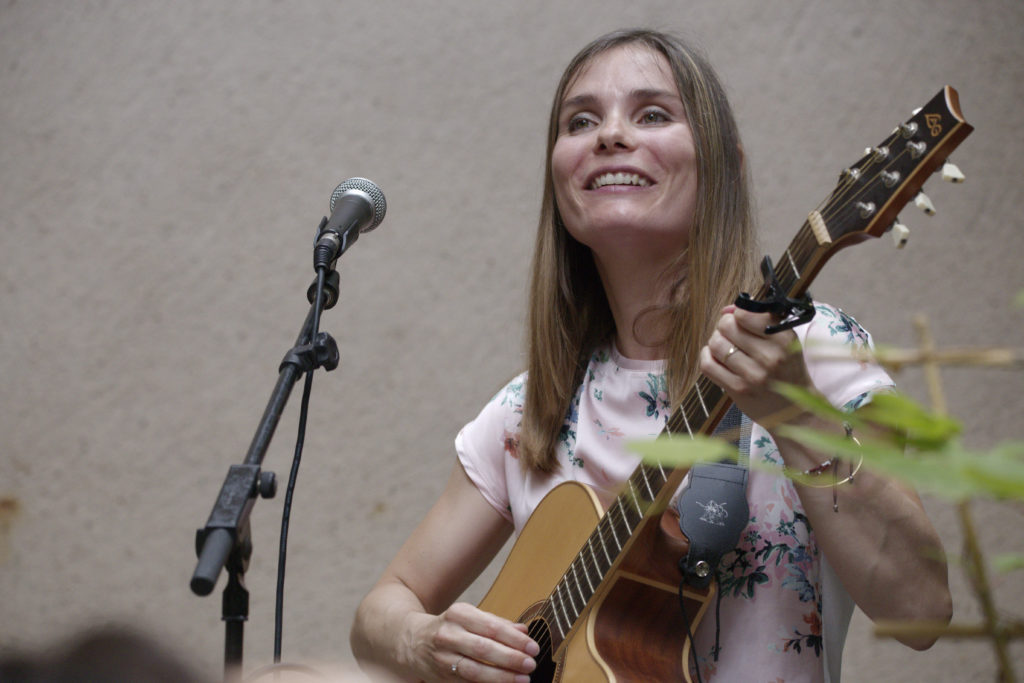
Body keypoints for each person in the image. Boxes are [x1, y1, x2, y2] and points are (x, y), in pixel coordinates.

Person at [349, 28, 951, 683]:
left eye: (654, 114)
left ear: (726, 167)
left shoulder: (811, 351)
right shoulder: (531, 410)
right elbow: (380, 611)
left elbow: (921, 608)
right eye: (580, 120)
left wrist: (794, 414)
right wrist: (423, 639)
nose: (610, 134)